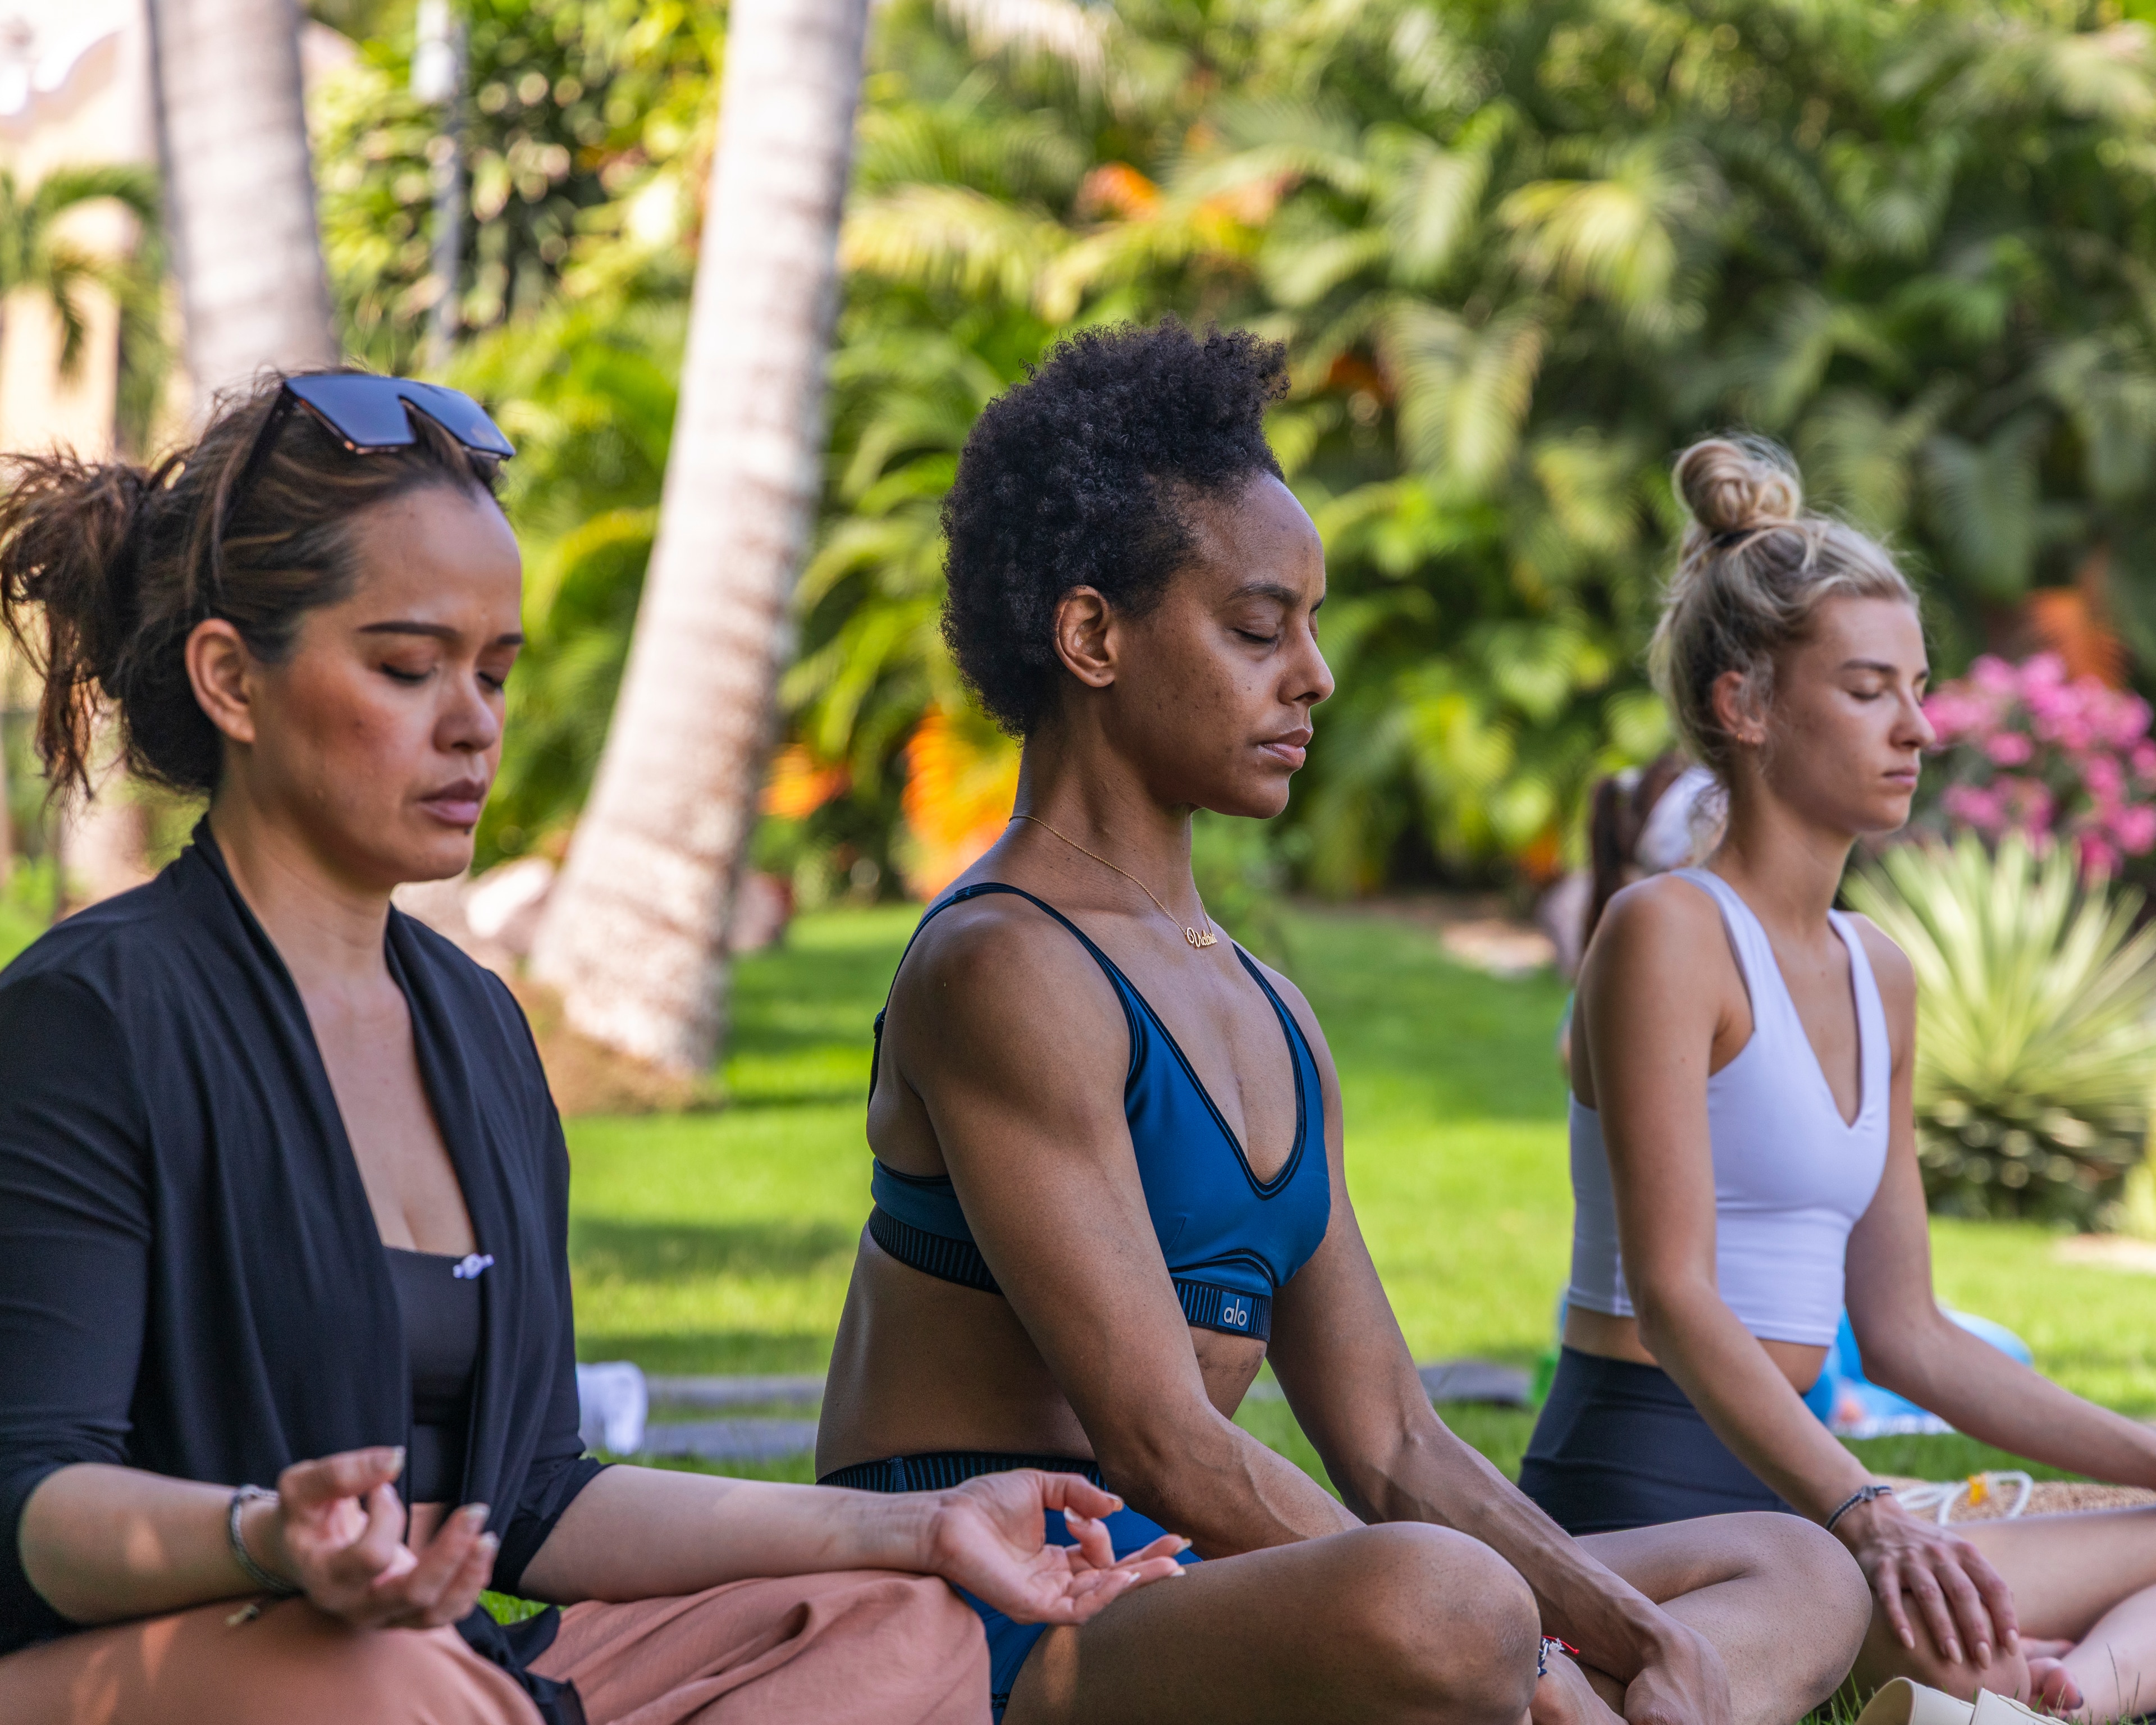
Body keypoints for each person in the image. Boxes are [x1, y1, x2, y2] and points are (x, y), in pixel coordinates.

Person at [0, 373, 1185, 1725]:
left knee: (901, 1627)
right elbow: (32, 1497)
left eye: (493, 672)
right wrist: (263, 1538)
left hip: (433, 1671)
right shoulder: (94, 1019)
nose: (474, 722)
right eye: (406, 668)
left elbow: (541, 1496)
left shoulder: (478, 1028)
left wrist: (918, 1532)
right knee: (377, 1682)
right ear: (232, 679)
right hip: (170, 1667)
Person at [814, 322, 1872, 1725]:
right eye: (1259, 629)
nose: (1311, 674)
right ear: (1092, 636)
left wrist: (1625, 1635)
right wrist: (1548, 1662)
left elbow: (1390, 1437)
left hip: (1188, 1582)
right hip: (998, 1614)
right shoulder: (1003, 966)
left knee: (1795, 1565)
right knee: (1445, 1604)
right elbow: (1166, 1444)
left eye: (1309, 626)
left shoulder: (1271, 1008)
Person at [1520, 433, 2156, 1722]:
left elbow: (1911, 1334)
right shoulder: (1668, 932)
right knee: (1951, 1641)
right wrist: (1867, 1512)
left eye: (1918, 687)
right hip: (1647, 1487)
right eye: (1870, 690)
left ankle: (2063, 1700)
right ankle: (2000, 1694)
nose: (1919, 728)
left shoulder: (1883, 968)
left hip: (1808, 1485)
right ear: (1745, 705)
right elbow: (1678, 1293)